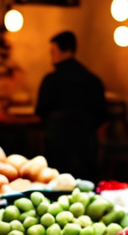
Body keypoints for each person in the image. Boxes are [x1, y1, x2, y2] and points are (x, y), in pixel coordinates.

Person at [36, 31, 108, 178]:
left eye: (52, 52)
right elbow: (102, 122)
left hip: (57, 159)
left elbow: (40, 115)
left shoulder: (51, 80)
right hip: (87, 156)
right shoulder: (93, 80)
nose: (51, 58)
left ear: (61, 51)